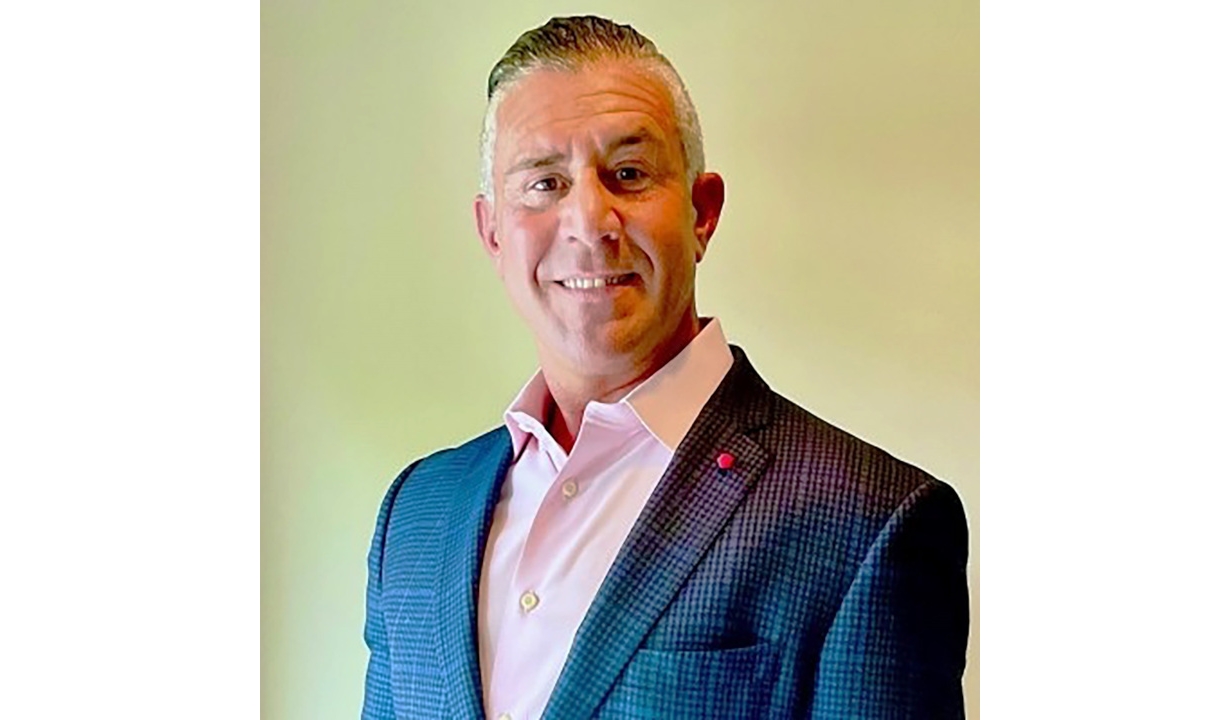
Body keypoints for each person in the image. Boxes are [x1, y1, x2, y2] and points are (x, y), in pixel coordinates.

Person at [360, 15, 969, 720]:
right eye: (545, 183)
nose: (590, 221)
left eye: (628, 174)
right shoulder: (417, 513)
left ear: (702, 213)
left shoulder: (869, 524)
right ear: (492, 231)